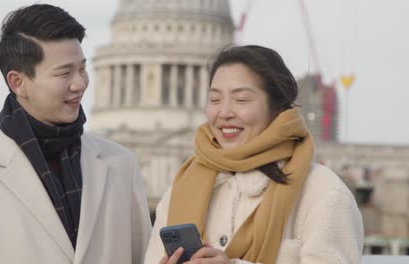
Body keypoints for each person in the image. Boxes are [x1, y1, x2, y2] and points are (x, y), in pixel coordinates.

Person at [0, 4, 151, 264]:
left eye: (83, 69)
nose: (80, 84)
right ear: (17, 82)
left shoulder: (122, 165)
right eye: (64, 73)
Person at [144, 45, 364, 264]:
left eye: (241, 100)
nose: (224, 113)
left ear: (277, 109)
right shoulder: (182, 188)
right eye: (215, 100)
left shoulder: (322, 191)